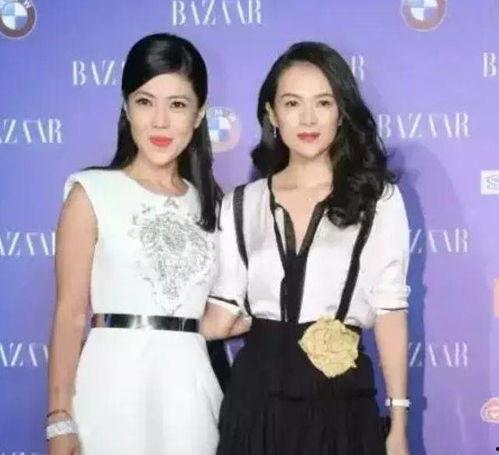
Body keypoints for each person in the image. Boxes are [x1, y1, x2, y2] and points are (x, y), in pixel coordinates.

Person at [201, 42, 411, 455]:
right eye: (293, 103)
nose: (309, 119)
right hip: (255, 402)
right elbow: (221, 316)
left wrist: (398, 423)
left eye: (324, 102)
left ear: (341, 112)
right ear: (272, 114)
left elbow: (390, 311)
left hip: (341, 404)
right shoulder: (241, 204)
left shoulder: (377, 199)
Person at [47, 33, 226, 454]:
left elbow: (227, 310)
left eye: (177, 105)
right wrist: (59, 417)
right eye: (145, 102)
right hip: (109, 389)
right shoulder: (91, 193)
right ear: (126, 108)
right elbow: (70, 314)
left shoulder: (215, 207)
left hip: (192, 393)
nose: (160, 122)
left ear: (199, 114)